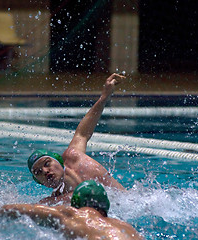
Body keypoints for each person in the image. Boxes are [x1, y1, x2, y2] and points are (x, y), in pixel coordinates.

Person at [27, 73, 126, 204]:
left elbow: (83, 133)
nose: (45, 171)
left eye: (47, 164)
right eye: (38, 172)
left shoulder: (74, 158)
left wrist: (104, 97)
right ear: (39, 182)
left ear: (59, 160)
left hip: (127, 201)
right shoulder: (54, 203)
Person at [0, 180, 143, 240]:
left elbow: (10, 209)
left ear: (75, 204)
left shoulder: (69, 213)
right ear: (105, 206)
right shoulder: (125, 226)